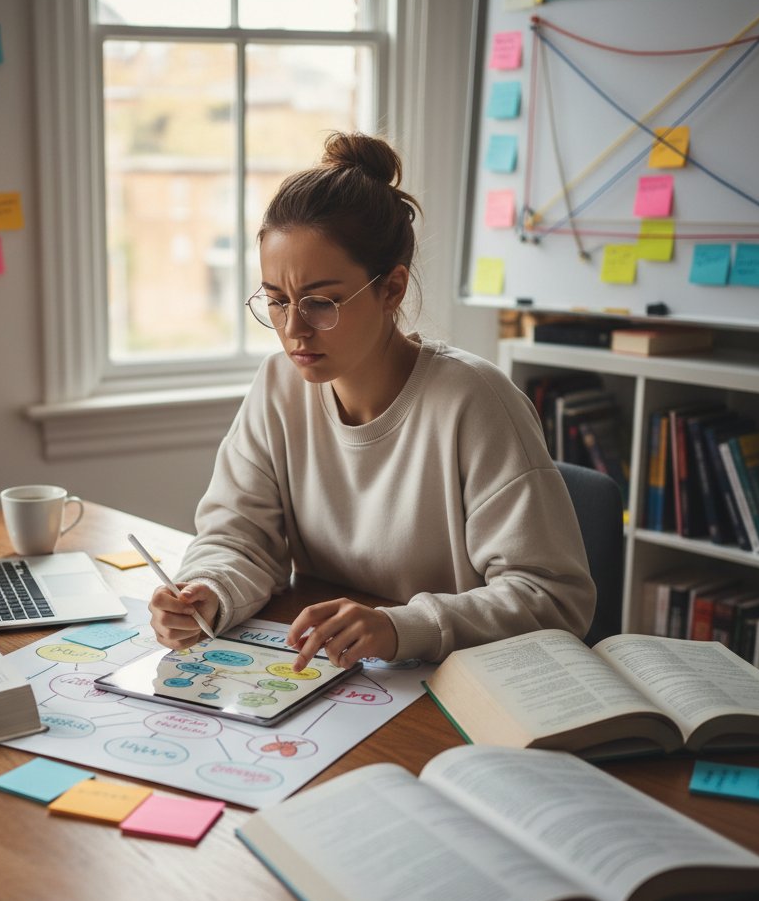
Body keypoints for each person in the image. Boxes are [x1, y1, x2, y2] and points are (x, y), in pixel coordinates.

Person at [149, 132, 594, 672]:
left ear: (392, 289)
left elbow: (554, 598)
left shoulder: (475, 402)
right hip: (337, 673)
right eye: (277, 301)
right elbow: (238, 539)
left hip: (455, 680)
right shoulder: (278, 386)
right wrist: (209, 590)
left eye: (321, 302)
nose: (293, 330)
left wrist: (399, 626)